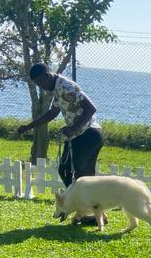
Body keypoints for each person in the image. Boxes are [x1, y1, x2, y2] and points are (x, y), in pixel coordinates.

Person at [17, 64, 104, 224]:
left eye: (40, 83)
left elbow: (91, 108)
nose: (41, 87)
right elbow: (52, 113)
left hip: (87, 134)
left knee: (76, 175)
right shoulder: (56, 89)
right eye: (37, 85)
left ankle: (89, 213)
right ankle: (92, 214)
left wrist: (74, 128)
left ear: (47, 76)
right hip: (82, 135)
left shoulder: (66, 86)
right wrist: (29, 126)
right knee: (78, 175)